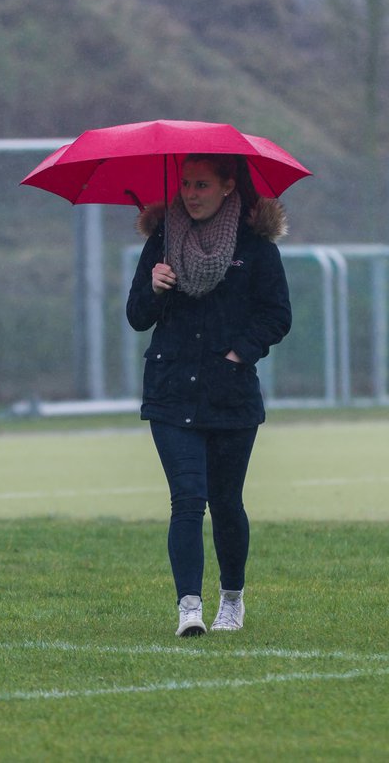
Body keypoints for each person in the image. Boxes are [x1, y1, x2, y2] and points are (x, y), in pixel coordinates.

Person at [126, 153, 292, 637]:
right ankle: (189, 608)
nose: (190, 194)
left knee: (225, 502)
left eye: (201, 184)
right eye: (185, 184)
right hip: (170, 391)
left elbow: (277, 315)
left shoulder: (256, 247)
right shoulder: (160, 241)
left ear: (226, 186)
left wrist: (240, 354)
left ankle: (232, 600)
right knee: (187, 500)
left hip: (230, 397)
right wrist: (153, 288)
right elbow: (137, 316)